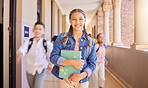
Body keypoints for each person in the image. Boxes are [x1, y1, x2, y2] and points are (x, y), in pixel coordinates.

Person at [50, 8, 97, 88]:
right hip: (64, 80)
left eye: (80, 19)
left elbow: (92, 63)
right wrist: (72, 62)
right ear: (70, 21)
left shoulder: (90, 41)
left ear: (85, 20)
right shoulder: (62, 38)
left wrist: (82, 75)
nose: (77, 22)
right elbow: (53, 57)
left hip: (82, 81)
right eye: (74, 19)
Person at [16, 21, 53, 88]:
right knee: (32, 86)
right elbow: (23, 48)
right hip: (30, 69)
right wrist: (20, 54)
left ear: (43, 31)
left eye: (40, 29)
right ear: (33, 30)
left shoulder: (46, 43)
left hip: (41, 69)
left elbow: (52, 53)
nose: (37, 31)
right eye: (36, 29)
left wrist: (51, 63)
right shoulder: (29, 41)